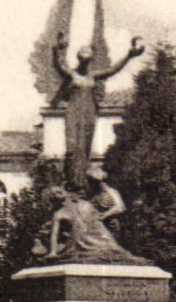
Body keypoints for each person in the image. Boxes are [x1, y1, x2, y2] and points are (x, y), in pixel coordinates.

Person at [52, 31, 144, 193]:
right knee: (72, 148)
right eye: (82, 58)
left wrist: (129, 56)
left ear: (90, 61)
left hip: (89, 112)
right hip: (73, 112)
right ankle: (70, 182)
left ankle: (80, 185)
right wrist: (57, 48)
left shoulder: (93, 76)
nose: (85, 63)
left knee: (85, 148)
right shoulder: (71, 74)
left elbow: (113, 69)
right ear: (79, 59)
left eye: (87, 60)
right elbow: (58, 65)